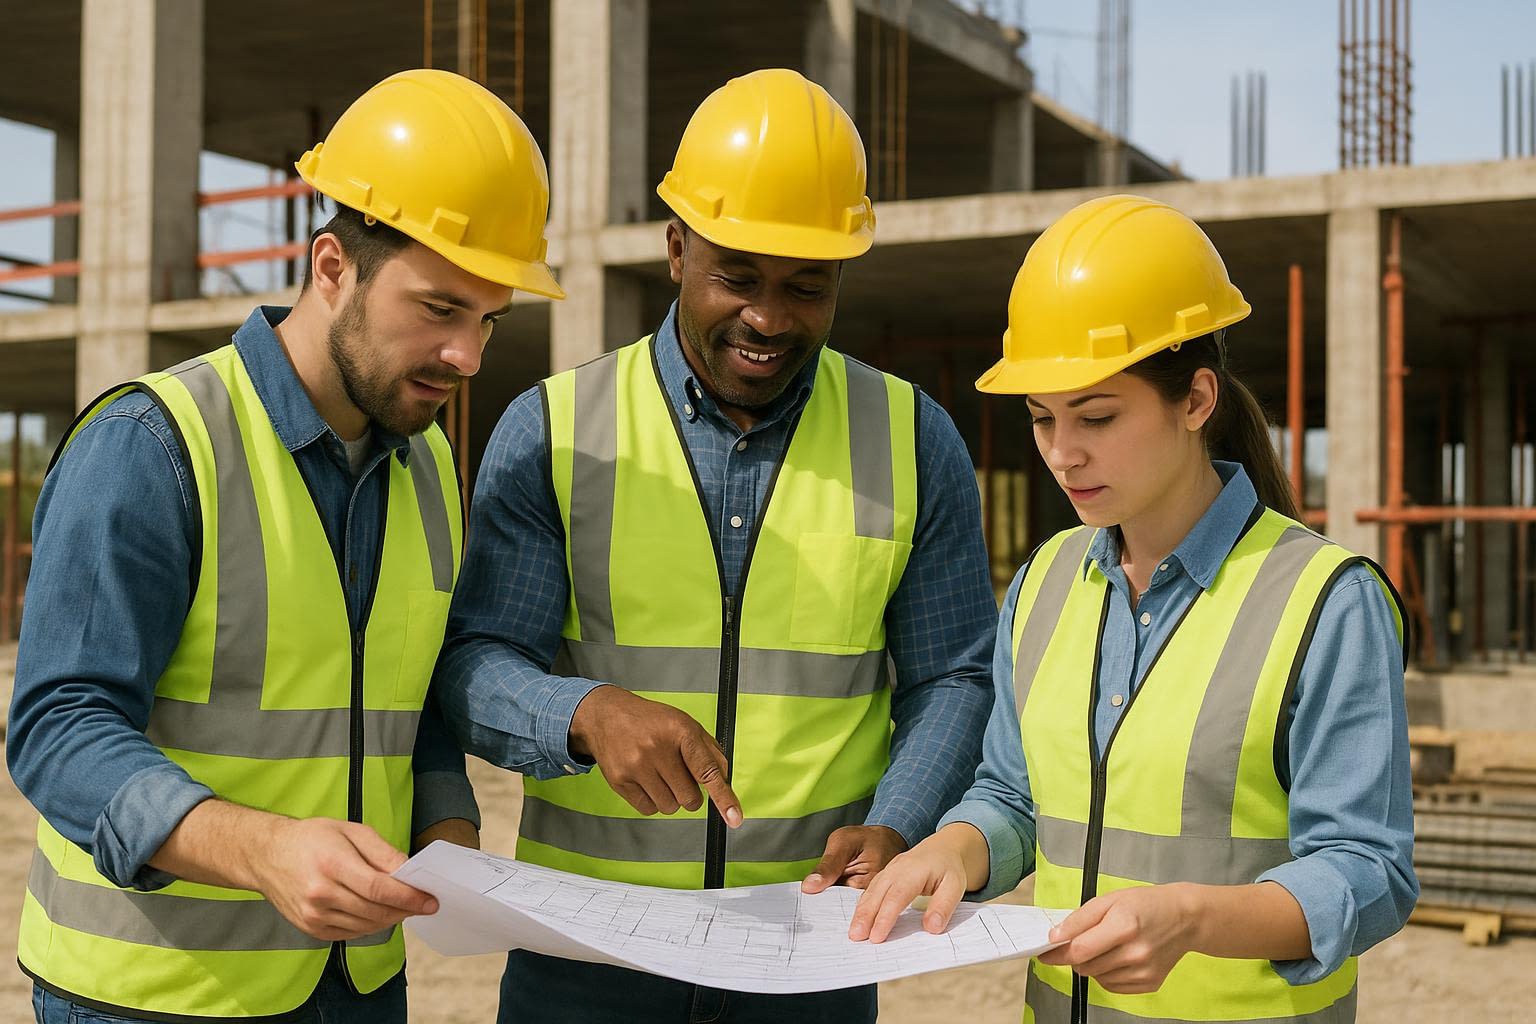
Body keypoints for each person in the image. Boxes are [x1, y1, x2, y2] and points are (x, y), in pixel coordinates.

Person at [435, 68, 997, 1023]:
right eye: (736, 277)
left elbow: (955, 677)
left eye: (806, 287)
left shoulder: (912, 437)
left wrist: (898, 819)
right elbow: (474, 663)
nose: (769, 319)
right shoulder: (557, 430)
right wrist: (585, 714)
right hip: (587, 961)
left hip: (808, 958)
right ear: (675, 248)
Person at [9, 69, 564, 1023]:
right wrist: (260, 848)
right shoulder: (154, 446)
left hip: (357, 987)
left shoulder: (427, 465)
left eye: (487, 320)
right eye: (439, 309)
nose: (467, 357)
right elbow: (59, 727)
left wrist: (447, 827)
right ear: (332, 266)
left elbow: (406, 699)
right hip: (152, 996)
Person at [848, 194, 1417, 1024]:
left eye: (1097, 416)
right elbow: (1013, 795)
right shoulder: (1043, 583)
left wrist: (1194, 920)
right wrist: (955, 849)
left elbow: (1369, 872)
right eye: (1042, 418)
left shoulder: (1326, 602)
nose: (1062, 453)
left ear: (1195, 400)